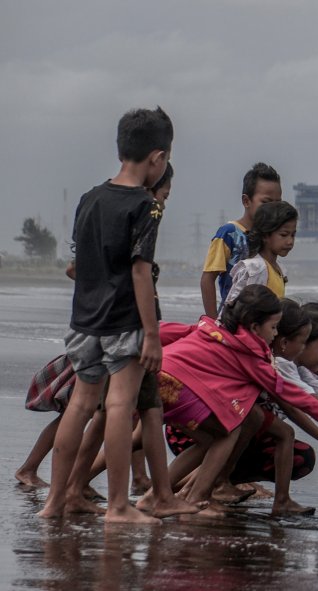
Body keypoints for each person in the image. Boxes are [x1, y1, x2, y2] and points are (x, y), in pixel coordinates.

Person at [39, 107, 172, 525]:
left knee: (79, 406)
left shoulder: (89, 198)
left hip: (84, 320)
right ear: (157, 158)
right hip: (122, 321)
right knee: (119, 405)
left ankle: (54, 502)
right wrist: (151, 334)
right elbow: (140, 271)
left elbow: (79, 264)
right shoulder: (146, 206)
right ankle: (118, 506)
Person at [156, 285, 318, 515]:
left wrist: (140, 339)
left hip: (158, 379)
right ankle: (195, 495)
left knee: (225, 431)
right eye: (274, 327)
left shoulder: (219, 332)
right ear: (256, 327)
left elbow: (171, 331)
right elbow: (292, 395)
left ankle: (162, 495)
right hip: (178, 389)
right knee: (227, 433)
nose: (275, 333)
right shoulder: (252, 355)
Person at [200, 162, 282, 319]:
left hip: (264, 322)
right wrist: (211, 324)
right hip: (233, 322)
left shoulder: (270, 236)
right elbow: (207, 279)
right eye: (266, 202)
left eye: (278, 203)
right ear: (246, 201)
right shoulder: (228, 234)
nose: (273, 209)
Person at [222, 201, 297, 306]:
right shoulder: (256, 268)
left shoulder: (279, 269)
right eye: (284, 235)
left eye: (293, 235)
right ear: (265, 235)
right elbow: (233, 308)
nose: (290, 241)